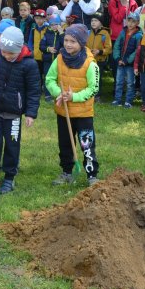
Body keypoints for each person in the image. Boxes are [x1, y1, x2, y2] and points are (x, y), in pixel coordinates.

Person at [0, 26, 40, 193]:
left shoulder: (30, 65)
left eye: (10, 53)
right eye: (3, 52)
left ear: (19, 49)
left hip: (14, 115)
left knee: (12, 146)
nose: (6, 55)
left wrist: (31, 113)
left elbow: (34, 91)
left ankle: (9, 177)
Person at [45, 24, 100, 187]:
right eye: (66, 40)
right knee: (65, 144)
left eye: (73, 41)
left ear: (82, 43)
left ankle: (92, 175)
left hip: (83, 113)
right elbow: (49, 79)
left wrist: (74, 96)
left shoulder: (90, 63)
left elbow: (94, 88)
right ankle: (66, 172)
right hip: (64, 111)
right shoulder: (60, 58)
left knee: (87, 145)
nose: (68, 44)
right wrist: (58, 93)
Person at [112, 12, 142, 108]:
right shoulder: (122, 32)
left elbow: (138, 50)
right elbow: (116, 45)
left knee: (130, 83)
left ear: (137, 23)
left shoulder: (139, 35)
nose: (130, 23)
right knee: (119, 81)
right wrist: (117, 58)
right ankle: (118, 100)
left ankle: (128, 101)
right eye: (129, 21)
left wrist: (128, 60)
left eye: (133, 21)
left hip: (130, 64)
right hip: (120, 62)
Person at [86, 12, 112, 101]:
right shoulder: (88, 32)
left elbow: (109, 49)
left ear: (101, 22)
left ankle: (97, 95)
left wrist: (99, 51)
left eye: (96, 20)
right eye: (92, 20)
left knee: (97, 78)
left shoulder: (105, 34)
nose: (93, 22)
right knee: (88, 77)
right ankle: (89, 93)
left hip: (100, 60)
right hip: (89, 59)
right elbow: (84, 45)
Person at [40, 14, 64, 102]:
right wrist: (48, 49)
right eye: (52, 24)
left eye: (56, 24)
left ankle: (59, 94)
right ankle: (47, 95)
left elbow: (65, 44)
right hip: (48, 60)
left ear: (59, 24)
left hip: (59, 60)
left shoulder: (62, 34)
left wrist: (61, 33)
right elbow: (41, 46)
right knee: (47, 77)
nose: (54, 26)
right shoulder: (47, 33)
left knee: (59, 77)